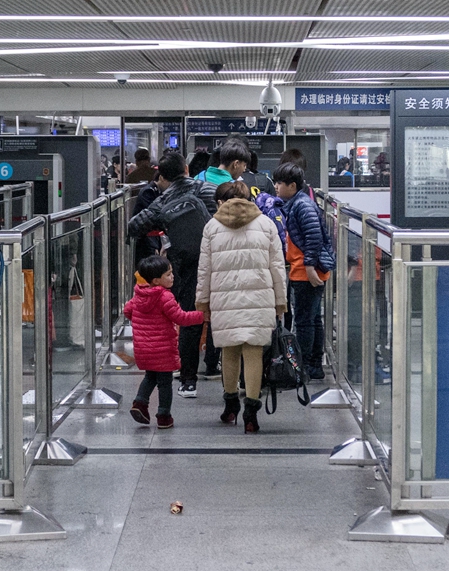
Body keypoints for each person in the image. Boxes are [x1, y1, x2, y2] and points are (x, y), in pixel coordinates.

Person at [195, 181, 286, 433]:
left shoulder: (212, 227)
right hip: (260, 298)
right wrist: (280, 300)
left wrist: (203, 301)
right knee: (254, 352)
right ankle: (251, 414)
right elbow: (277, 266)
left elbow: (204, 269)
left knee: (229, 350)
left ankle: (230, 406)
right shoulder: (266, 224)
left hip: (224, 299)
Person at [127, 151, 219, 397]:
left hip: (186, 265)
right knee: (221, 314)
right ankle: (219, 368)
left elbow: (134, 226)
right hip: (218, 260)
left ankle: (188, 381)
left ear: (162, 177)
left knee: (190, 317)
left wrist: (163, 224)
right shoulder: (209, 189)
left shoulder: (162, 201)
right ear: (186, 169)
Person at [124, 255, 204, 429]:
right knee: (165, 383)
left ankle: (140, 403)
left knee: (150, 376)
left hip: (143, 348)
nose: (172, 276)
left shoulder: (138, 294)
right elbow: (180, 318)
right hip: (163, 349)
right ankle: (163, 416)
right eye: (168, 274)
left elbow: (127, 311)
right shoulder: (164, 296)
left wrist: (142, 324)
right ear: (156, 280)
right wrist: (201, 316)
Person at [273, 162, 334, 381]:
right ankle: (314, 365)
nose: (276, 186)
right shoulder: (299, 203)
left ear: (292, 185)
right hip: (307, 270)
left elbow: (314, 237)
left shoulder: (302, 206)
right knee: (313, 319)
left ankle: (303, 368)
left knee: (304, 321)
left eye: (280, 183)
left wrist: (309, 267)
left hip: (306, 272)